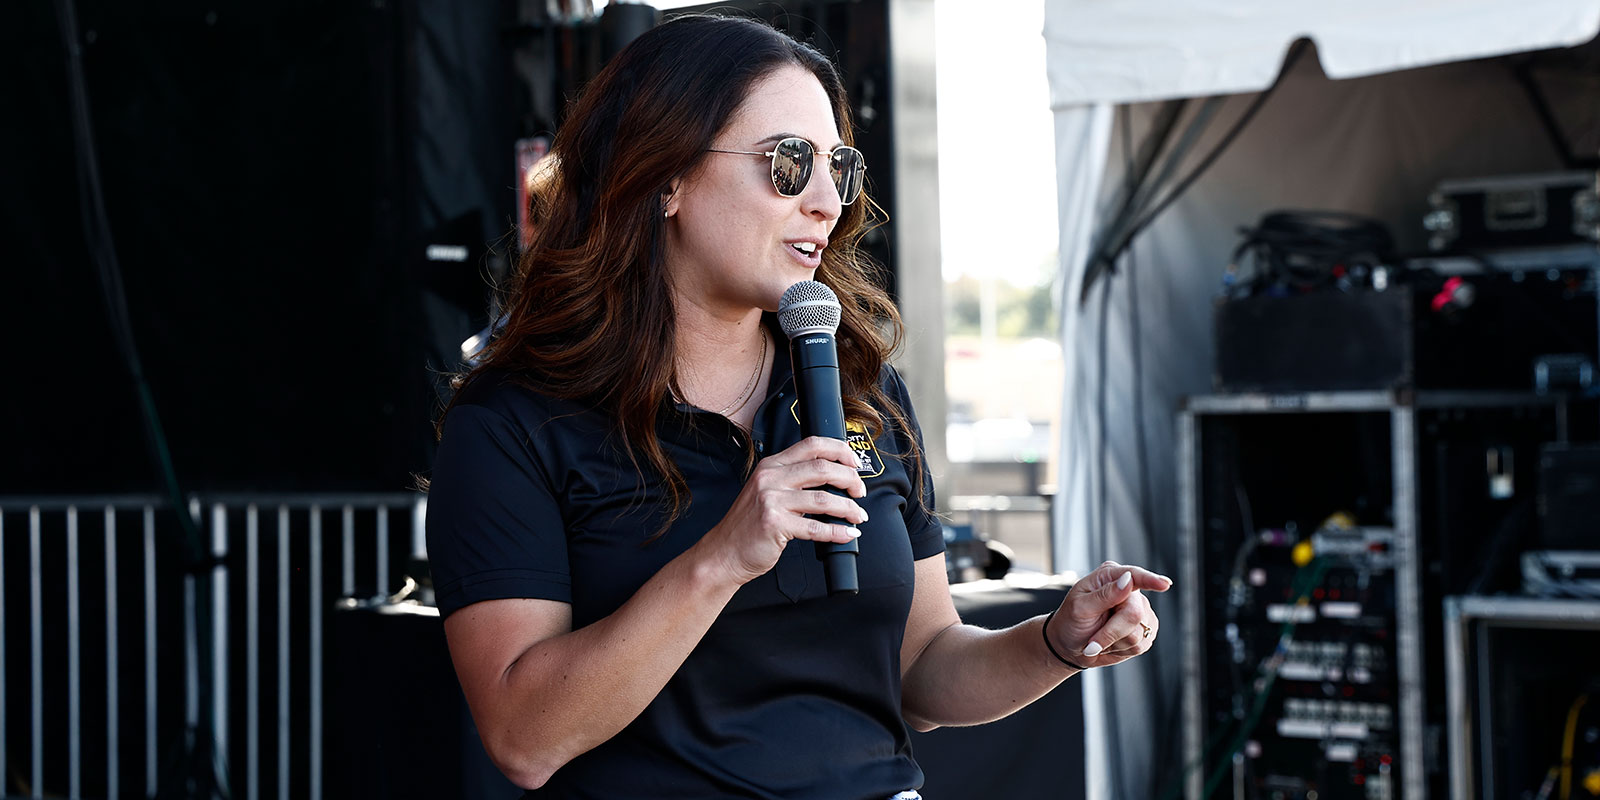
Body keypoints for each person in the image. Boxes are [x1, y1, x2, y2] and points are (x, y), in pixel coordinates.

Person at [424, 14, 1170, 799]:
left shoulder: (862, 392)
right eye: (788, 163)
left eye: (839, 168)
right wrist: (724, 557)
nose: (827, 202)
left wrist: (1054, 642)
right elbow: (524, 737)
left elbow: (921, 670)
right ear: (665, 176)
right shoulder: (515, 422)